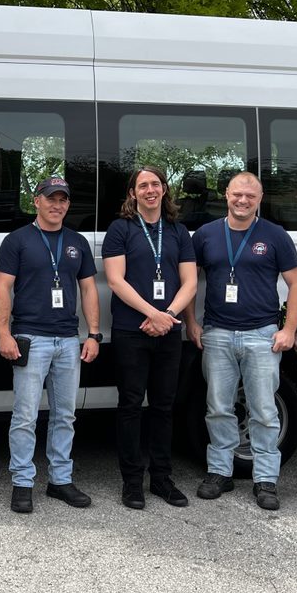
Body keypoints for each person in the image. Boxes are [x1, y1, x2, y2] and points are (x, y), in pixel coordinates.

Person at [186, 171, 297, 511]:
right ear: (226, 195)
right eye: (237, 194)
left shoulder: (274, 235)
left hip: (261, 335)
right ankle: (219, 472)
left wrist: (288, 328)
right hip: (218, 334)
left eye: (250, 196)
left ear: (260, 199)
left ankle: (265, 478)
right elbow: (190, 281)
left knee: (264, 410)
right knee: (218, 407)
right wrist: (191, 322)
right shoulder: (206, 235)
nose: (243, 201)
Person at [0, 176, 100, 514]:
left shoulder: (77, 242)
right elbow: (2, 288)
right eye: (51, 198)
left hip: (69, 340)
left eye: (63, 200)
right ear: (36, 200)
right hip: (30, 338)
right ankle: (22, 482)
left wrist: (94, 333)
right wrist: (4, 334)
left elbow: (88, 289)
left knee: (65, 415)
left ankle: (60, 480)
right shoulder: (17, 240)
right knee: (25, 415)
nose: (57, 205)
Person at [102, 166, 198, 510]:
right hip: (132, 330)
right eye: (142, 185)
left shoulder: (177, 231)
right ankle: (132, 481)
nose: (149, 190)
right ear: (133, 193)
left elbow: (190, 282)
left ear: (164, 189)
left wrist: (168, 315)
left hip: (168, 330)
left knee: (163, 406)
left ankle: (161, 478)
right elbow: (116, 280)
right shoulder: (120, 229)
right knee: (130, 405)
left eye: (155, 184)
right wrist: (152, 313)